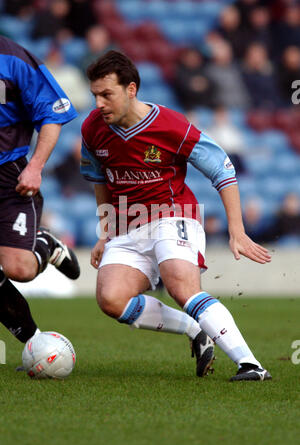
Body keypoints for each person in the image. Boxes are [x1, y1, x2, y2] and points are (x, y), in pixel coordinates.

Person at [80, 50, 272, 381]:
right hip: (128, 226)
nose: (99, 103)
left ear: (131, 90)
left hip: (173, 215)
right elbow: (100, 181)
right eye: (95, 94)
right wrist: (105, 233)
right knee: (111, 300)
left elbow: (223, 170)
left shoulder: (171, 125)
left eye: (106, 94)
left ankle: (251, 365)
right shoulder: (92, 129)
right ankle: (194, 328)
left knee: (180, 285)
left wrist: (237, 231)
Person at [0, 35, 80, 352]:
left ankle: (45, 242)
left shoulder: (14, 58)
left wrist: (35, 167)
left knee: (19, 269)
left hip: (10, 176)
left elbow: (52, 112)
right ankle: (34, 342)